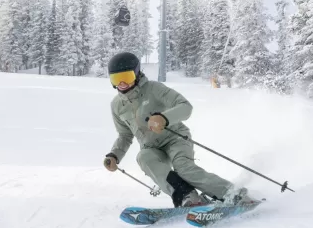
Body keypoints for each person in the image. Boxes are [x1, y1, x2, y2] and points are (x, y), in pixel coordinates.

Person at [101, 51, 253, 207]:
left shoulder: (154, 89)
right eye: (116, 79)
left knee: (184, 169)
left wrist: (164, 118)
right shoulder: (117, 105)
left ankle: (234, 194)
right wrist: (114, 155)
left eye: (126, 77)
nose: (122, 84)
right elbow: (124, 135)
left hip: (175, 138)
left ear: (137, 73)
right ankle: (188, 196)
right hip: (151, 147)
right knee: (144, 157)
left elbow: (185, 107)